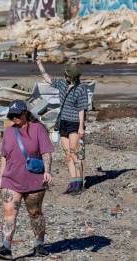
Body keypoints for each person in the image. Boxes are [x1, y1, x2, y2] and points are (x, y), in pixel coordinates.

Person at [0, 100, 54, 260]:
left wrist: (47, 172)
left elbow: (46, 153)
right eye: (11, 115)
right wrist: (1, 177)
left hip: (34, 180)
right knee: (9, 212)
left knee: (35, 213)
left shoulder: (38, 129)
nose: (14, 118)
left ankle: (39, 244)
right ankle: (6, 247)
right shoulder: (8, 132)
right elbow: (4, 156)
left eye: (17, 114)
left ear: (25, 113)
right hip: (11, 179)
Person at [36, 57, 88, 194]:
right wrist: (40, 64)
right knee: (68, 155)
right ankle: (72, 182)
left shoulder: (81, 88)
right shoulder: (62, 84)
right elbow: (48, 79)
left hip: (75, 123)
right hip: (64, 122)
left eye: (67, 75)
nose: (65, 76)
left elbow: (82, 108)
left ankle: (79, 182)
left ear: (73, 76)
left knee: (75, 153)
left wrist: (81, 127)